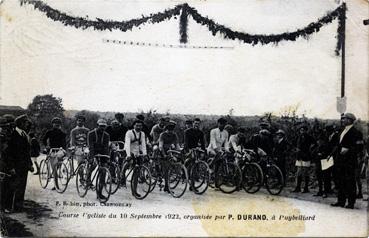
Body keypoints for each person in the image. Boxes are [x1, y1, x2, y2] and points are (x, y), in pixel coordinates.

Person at [331, 113, 364, 209]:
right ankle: (341, 201)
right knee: (340, 180)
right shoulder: (341, 131)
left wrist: (349, 150)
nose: (342, 120)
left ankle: (351, 202)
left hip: (349, 161)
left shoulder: (357, 133)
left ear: (350, 120)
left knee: (350, 181)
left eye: (344, 119)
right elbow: (337, 145)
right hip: (340, 160)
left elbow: (359, 147)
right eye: (342, 119)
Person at [5, 114, 34, 212]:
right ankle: (8, 207)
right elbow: (8, 153)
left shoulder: (24, 134)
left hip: (24, 166)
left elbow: (27, 152)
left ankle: (18, 206)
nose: (27, 124)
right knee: (12, 186)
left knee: (22, 186)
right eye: (26, 122)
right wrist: (11, 167)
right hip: (16, 166)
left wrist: (30, 164)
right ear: (21, 123)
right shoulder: (13, 135)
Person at [87, 119, 110, 200]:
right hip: (93, 152)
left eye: (104, 126)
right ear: (97, 125)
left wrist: (107, 157)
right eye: (101, 126)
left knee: (103, 171)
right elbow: (91, 146)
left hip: (102, 153)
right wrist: (93, 157)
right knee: (93, 165)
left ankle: (99, 192)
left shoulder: (106, 135)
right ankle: (88, 179)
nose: (102, 128)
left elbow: (106, 147)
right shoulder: (91, 133)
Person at [292, 124, 315, 193]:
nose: (302, 131)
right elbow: (294, 143)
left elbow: (315, 144)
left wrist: (310, 150)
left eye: (303, 130)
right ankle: (298, 187)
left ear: (306, 130)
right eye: (301, 130)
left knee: (305, 172)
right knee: (299, 172)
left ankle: (306, 188)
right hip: (299, 156)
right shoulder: (298, 137)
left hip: (306, 156)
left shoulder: (309, 137)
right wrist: (296, 149)